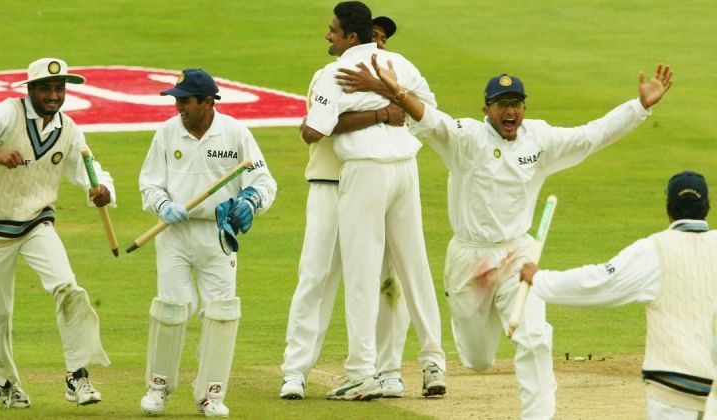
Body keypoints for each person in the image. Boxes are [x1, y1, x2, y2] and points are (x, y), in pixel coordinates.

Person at [347, 52, 673, 417]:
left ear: (524, 107)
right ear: (486, 109)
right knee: (478, 359)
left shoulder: (540, 139)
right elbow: (431, 120)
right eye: (501, 104)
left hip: (518, 255)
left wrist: (640, 106)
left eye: (516, 103)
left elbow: (589, 137)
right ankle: (471, 325)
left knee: (534, 337)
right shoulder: (466, 138)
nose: (510, 111)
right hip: (469, 258)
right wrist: (400, 91)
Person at [0, 57, 113, 409]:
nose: (54, 95)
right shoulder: (7, 113)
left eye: (59, 88)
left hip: (36, 221)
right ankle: (3, 377)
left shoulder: (69, 129)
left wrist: (103, 191)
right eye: (46, 88)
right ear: (30, 90)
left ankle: (77, 375)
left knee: (68, 287)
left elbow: (92, 171)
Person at [300, 1, 447, 401]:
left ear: (351, 36)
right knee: (413, 267)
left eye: (332, 29)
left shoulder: (337, 72)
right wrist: (387, 106)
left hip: (365, 171)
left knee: (364, 272)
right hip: (405, 168)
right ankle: (433, 363)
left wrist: (359, 112)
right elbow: (427, 111)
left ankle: (361, 372)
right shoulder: (400, 62)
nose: (327, 35)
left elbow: (313, 131)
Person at [280, 14, 417, 401]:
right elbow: (316, 127)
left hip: (381, 187)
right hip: (330, 184)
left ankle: (388, 371)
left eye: (384, 39)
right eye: (374, 36)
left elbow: (411, 116)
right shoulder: (330, 74)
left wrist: (387, 105)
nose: (380, 45)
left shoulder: (396, 78)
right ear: (358, 38)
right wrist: (379, 114)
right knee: (316, 276)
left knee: (387, 281)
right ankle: (295, 371)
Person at [519, 171, 715, 419]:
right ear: (707, 207)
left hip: (672, 389)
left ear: (668, 209)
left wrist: (539, 279)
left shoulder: (654, 249)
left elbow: (598, 283)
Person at [137, 68, 277, 417]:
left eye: (185, 100)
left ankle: (211, 393)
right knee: (171, 307)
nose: (178, 106)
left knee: (221, 311)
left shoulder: (235, 133)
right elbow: (149, 183)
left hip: (218, 233)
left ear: (208, 101)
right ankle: (158, 388)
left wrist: (249, 203)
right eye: (177, 100)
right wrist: (162, 205)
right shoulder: (167, 133)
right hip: (174, 232)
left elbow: (264, 182)